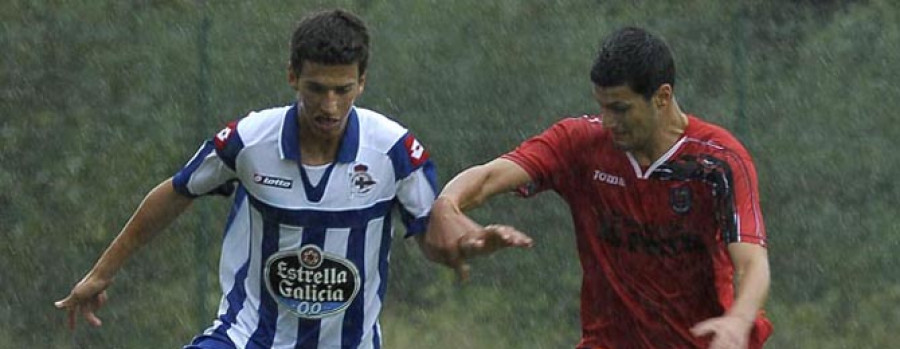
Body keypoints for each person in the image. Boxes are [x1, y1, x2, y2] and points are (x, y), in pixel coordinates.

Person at [55, 9, 456, 349]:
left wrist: (464, 242)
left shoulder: (395, 151)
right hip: (247, 336)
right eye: (317, 89)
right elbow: (177, 192)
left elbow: (432, 236)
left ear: (362, 82)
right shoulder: (249, 141)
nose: (330, 105)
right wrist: (101, 273)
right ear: (292, 76)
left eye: (342, 89)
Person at [426, 27, 773, 348]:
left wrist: (738, 320)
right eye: (602, 107)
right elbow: (490, 176)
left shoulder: (717, 162)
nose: (608, 122)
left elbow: (751, 264)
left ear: (662, 97)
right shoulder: (580, 145)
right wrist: (447, 204)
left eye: (620, 109)